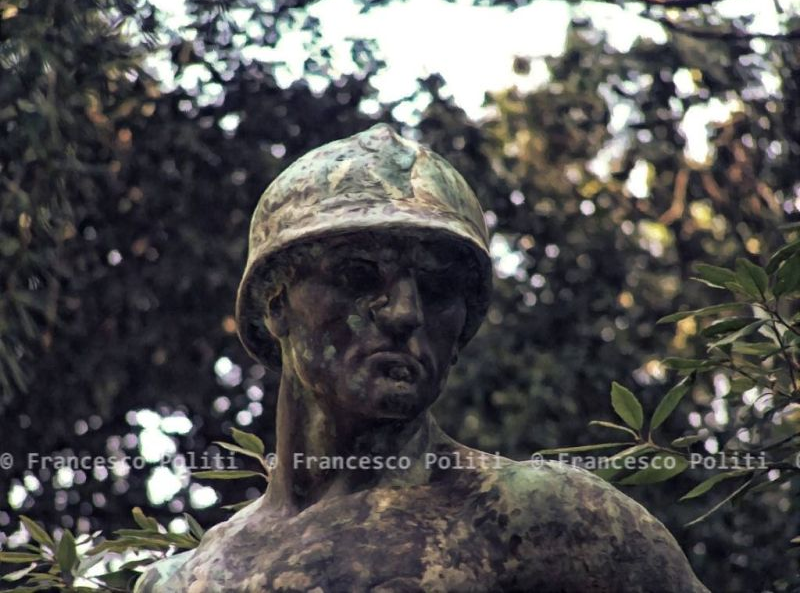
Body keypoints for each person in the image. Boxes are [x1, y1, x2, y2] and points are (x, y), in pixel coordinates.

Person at [136, 124, 709, 592]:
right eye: (358, 275)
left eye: (437, 290)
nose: (405, 313)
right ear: (276, 306)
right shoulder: (188, 580)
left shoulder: (548, 519)